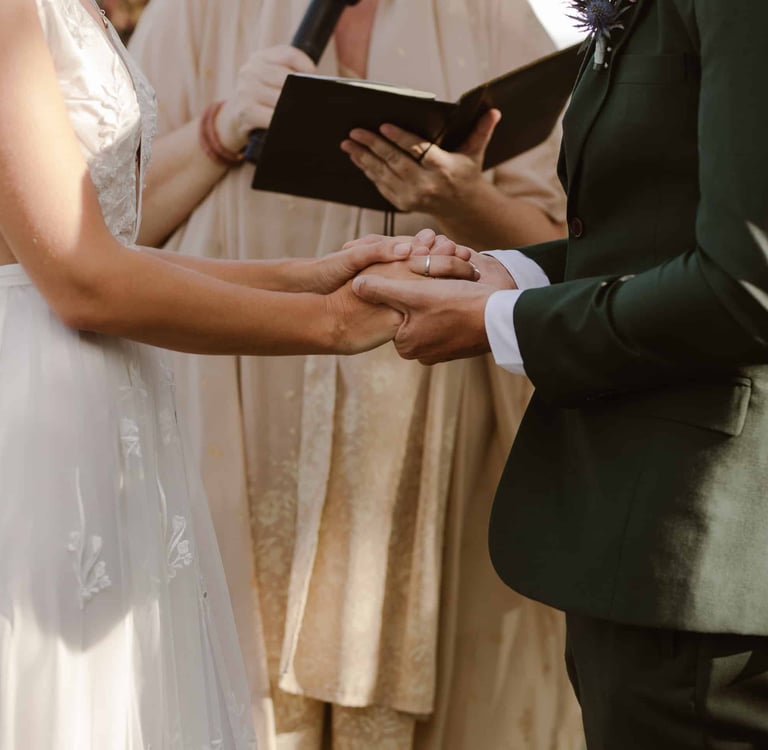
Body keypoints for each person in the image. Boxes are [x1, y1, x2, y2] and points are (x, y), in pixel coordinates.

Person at [0, 0, 476, 747]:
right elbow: (80, 279)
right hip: (37, 417)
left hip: (112, 412)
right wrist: (330, 323)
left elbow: (109, 251)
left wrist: (311, 277)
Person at [128, 0, 583, 748]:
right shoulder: (194, 12)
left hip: (428, 412)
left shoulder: (497, 20)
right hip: (234, 398)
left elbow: (570, 250)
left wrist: (465, 201)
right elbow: (107, 233)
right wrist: (220, 127)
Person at [352, 0, 768, 746]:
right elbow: (658, 232)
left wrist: (500, 321)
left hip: (704, 551)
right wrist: (504, 273)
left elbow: (746, 285)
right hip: (642, 540)